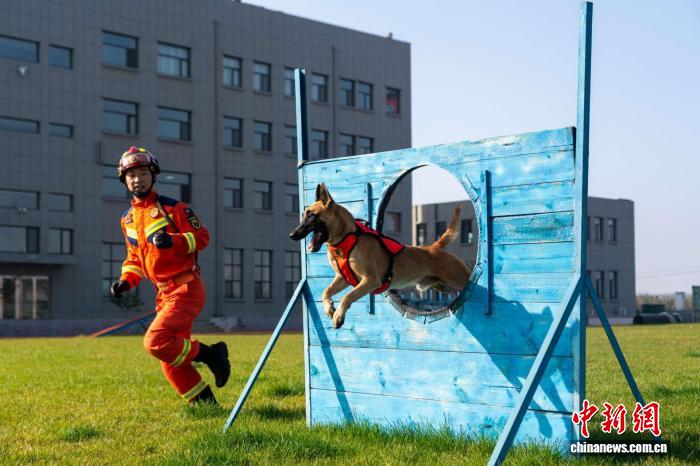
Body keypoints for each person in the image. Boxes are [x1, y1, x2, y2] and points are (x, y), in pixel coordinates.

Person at [110, 146, 230, 404]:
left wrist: (174, 241)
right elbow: (134, 258)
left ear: (153, 175)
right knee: (170, 359)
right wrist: (125, 281)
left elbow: (202, 237)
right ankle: (205, 407)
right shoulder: (127, 219)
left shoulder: (175, 209)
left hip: (186, 289)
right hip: (163, 296)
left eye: (143, 173)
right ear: (124, 180)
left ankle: (213, 355)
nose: (137, 179)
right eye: (131, 175)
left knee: (155, 342)